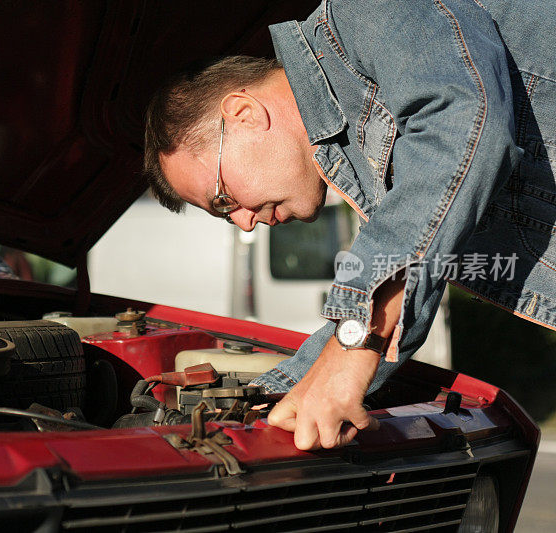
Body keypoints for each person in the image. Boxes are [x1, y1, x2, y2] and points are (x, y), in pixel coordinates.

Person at [143, 0, 556, 450]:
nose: (242, 223)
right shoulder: (367, 167)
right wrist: (274, 396)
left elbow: (461, 121)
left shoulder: (365, 12)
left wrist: (352, 349)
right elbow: (407, 266)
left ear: (243, 113)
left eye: (223, 200)